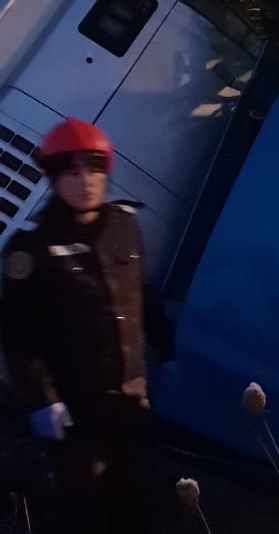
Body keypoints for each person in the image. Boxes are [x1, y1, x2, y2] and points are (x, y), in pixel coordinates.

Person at [1, 117, 175, 534]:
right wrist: (43, 400)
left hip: (131, 404)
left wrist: (167, 350)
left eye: (94, 168)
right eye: (72, 171)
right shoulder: (31, 248)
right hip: (75, 415)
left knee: (139, 508)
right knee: (88, 513)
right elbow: (17, 336)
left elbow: (144, 293)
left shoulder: (124, 226)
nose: (85, 181)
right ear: (54, 177)